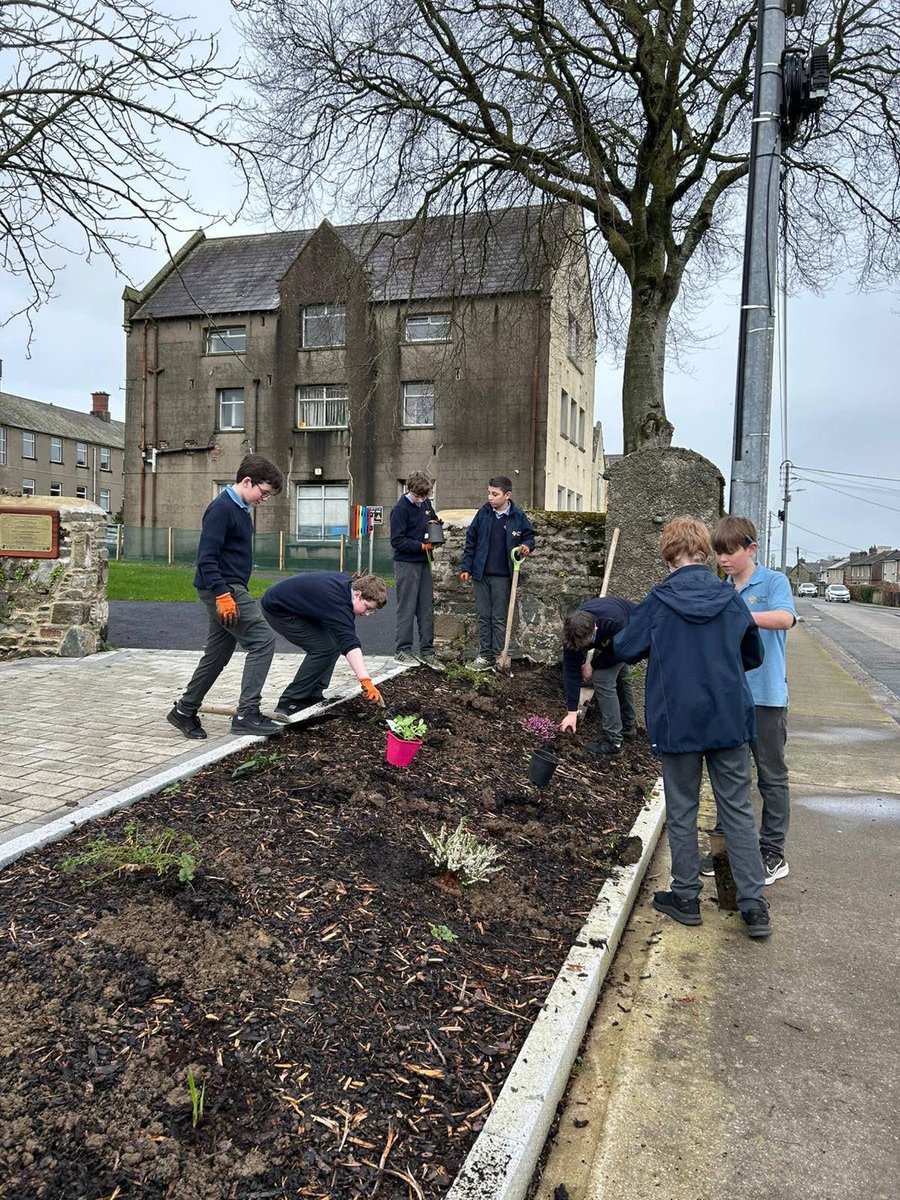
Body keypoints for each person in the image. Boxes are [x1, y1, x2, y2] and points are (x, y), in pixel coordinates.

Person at [613, 517, 772, 939]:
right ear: (705, 551)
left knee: (681, 809)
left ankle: (686, 897)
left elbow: (625, 648)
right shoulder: (729, 597)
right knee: (736, 809)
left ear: (668, 553)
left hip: (678, 719)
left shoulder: (659, 601)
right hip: (727, 717)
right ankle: (753, 906)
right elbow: (752, 654)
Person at [706, 516, 797, 885]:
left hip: (767, 697)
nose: (723, 560)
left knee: (772, 777)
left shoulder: (774, 582)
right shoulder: (720, 588)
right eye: (718, 554)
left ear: (751, 548)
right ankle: (725, 849)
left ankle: (772, 852)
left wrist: (739, 615)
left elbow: (785, 618)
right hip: (729, 698)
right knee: (730, 776)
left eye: (730, 553)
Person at [167, 455, 284, 740]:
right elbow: (206, 559)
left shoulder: (241, 508)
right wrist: (223, 594)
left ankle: (184, 710)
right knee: (262, 641)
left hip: (228, 588)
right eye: (263, 492)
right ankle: (247, 715)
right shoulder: (222, 509)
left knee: (218, 653)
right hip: (224, 589)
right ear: (247, 481)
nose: (264, 499)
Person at [260, 572, 388, 716]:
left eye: (373, 611)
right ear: (358, 594)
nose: (367, 614)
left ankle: (312, 695)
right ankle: (290, 702)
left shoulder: (348, 588)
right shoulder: (338, 605)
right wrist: (366, 681)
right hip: (279, 609)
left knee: (332, 645)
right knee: (323, 649)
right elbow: (350, 643)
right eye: (367, 607)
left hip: (299, 607)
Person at [458, 475, 536, 669]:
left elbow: (529, 536)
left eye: (495, 494)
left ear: (507, 495)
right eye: (488, 493)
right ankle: (485, 656)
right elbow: (471, 541)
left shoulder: (518, 516)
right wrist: (466, 567)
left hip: (503, 576)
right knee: (484, 616)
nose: (490, 497)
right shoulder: (483, 513)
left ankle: (500, 655)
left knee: (499, 617)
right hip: (481, 574)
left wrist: (526, 545)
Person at [559, 598, 637, 756]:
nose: (581, 648)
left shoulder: (614, 622)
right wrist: (572, 713)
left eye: (584, 644)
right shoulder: (573, 632)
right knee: (620, 676)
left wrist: (593, 665)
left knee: (602, 678)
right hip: (613, 635)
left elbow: (620, 651)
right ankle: (628, 725)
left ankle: (613, 741)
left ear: (594, 630)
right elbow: (571, 671)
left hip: (632, 630)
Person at [390, 472, 442, 666]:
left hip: (424, 561)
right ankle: (403, 650)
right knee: (407, 606)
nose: (421, 500)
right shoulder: (400, 509)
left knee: (426, 607)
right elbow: (397, 541)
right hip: (407, 563)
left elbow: (433, 519)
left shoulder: (426, 504)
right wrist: (421, 546)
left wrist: (436, 525)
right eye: (418, 496)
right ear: (408, 489)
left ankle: (427, 651)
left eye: (425, 496)